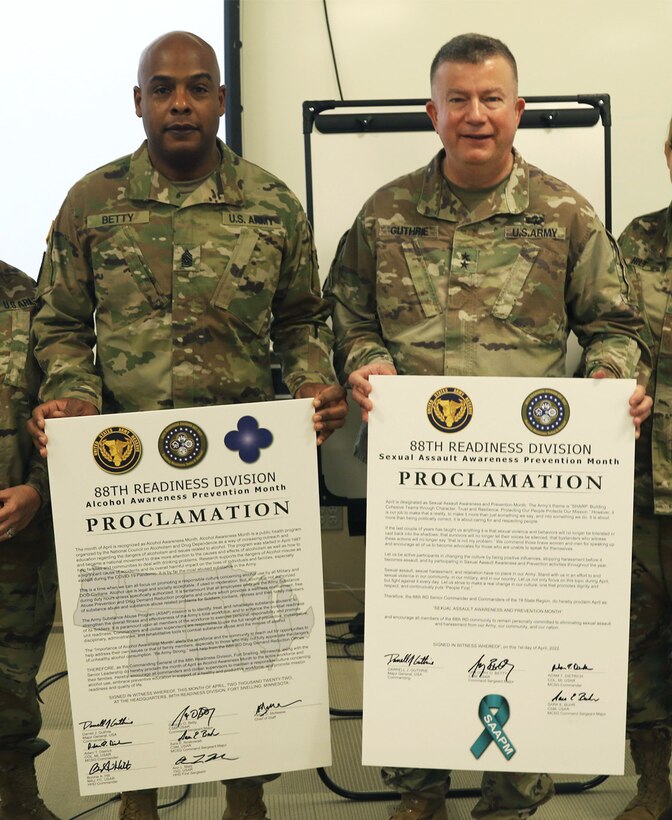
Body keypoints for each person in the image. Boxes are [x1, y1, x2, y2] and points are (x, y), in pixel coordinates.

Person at [324, 33, 652, 820]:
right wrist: (367, 362)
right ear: (432, 113)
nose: (476, 115)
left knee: (524, 640)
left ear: (519, 110)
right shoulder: (385, 214)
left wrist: (612, 383)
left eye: (491, 98)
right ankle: (420, 793)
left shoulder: (564, 213)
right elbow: (347, 313)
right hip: (417, 474)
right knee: (416, 638)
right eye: (459, 100)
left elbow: (616, 325)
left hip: (529, 481)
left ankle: (512, 798)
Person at [28, 31, 347, 820]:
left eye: (198, 87)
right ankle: (140, 798)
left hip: (241, 473)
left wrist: (313, 380)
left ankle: (248, 799)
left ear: (221, 100)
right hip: (124, 472)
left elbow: (303, 319)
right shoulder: (92, 201)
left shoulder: (272, 205)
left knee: (243, 641)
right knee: (139, 644)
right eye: (163, 88)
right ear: (138, 102)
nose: (180, 102)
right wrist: (72, 396)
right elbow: (60, 324)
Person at [617, 119, 672, 820]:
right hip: (639, 486)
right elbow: (612, 331)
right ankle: (654, 783)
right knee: (641, 641)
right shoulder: (637, 241)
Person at [0, 261, 58, 819]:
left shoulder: (29, 300)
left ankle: (18, 796)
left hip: (16, 531)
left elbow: (65, 410)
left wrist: (38, 491)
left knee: (13, 677)